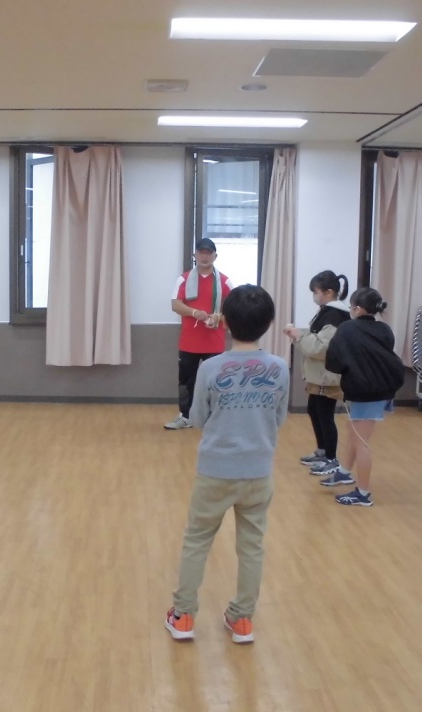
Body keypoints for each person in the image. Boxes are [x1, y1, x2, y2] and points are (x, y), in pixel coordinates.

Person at [165, 285, 289, 644]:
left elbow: (198, 418)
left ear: (226, 322)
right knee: (252, 546)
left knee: (197, 540)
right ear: (269, 323)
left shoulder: (211, 367)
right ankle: (242, 619)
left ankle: (183, 616)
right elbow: (279, 418)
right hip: (258, 472)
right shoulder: (280, 368)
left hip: (215, 471)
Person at [323, 287, 404, 505]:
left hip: (368, 392)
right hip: (382, 389)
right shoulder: (384, 329)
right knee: (353, 429)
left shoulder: (348, 329)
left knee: (361, 442)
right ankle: (344, 471)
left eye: (351, 307)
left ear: (357, 309)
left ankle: (364, 493)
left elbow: (334, 361)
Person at [283, 270, 350, 476]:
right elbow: (316, 338)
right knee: (314, 410)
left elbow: (322, 348)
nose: (314, 296)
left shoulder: (335, 315)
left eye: (316, 292)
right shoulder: (326, 312)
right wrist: (299, 334)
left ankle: (331, 458)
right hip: (320, 374)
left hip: (327, 375)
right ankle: (322, 451)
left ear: (328, 292)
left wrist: (298, 335)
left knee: (325, 415)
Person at [164, 238, 234, 430]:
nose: (204, 256)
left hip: (215, 343)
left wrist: (218, 317)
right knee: (187, 381)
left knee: (216, 382)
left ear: (215, 256)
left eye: (208, 253)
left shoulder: (225, 281)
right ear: (195, 255)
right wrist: (194, 312)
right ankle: (186, 416)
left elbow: (234, 310)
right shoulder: (184, 279)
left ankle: (216, 418)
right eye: (201, 252)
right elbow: (175, 304)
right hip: (189, 342)